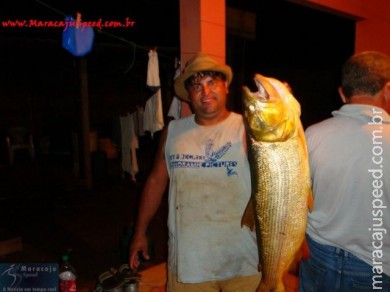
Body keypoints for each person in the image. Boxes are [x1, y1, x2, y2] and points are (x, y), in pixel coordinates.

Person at [128, 52, 261, 291]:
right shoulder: (174, 131)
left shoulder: (249, 127)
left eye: (212, 83)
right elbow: (156, 182)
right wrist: (140, 232)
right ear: (189, 95)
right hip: (189, 262)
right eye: (197, 86)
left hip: (244, 258)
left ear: (226, 87)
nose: (206, 92)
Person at [299, 51, 390, 291]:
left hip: (317, 256)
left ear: (342, 93)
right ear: (388, 90)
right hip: (376, 266)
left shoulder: (313, 134)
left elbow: (297, 198)